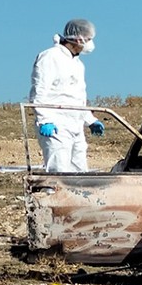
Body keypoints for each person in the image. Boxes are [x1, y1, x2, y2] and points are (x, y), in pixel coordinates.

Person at [28, 19, 105, 172]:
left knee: (80, 172)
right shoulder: (50, 57)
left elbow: (77, 97)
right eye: (88, 39)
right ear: (78, 39)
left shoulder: (78, 64)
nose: (90, 44)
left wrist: (90, 119)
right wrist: (45, 120)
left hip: (75, 125)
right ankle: (54, 196)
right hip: (56, 124)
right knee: (59, 171)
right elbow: (39, 91)